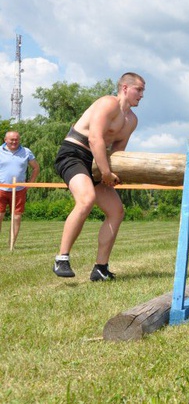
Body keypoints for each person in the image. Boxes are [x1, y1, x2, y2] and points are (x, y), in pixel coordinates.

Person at [52, 72, 145, 281]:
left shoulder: (132, 120)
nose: (142, 95)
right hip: (74, 154)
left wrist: (114, 173)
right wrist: (105, 173)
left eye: (143, 91)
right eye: (138, 90)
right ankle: (62, 258)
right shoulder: (107, 103)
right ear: (124, 88)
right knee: (86, 199)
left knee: (116, 211)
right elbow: (95, 138)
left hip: (98, 161)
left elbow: (117, 152)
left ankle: (100, 268)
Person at [0, 131, 40, 243]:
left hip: (19, 190)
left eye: (16, 139)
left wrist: (29, 184)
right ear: (5, 140)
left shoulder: (26, 152)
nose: (14, 142)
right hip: (1, 189)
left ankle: (12, 243)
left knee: (16, 217)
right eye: (11, 139)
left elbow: (36, 168)